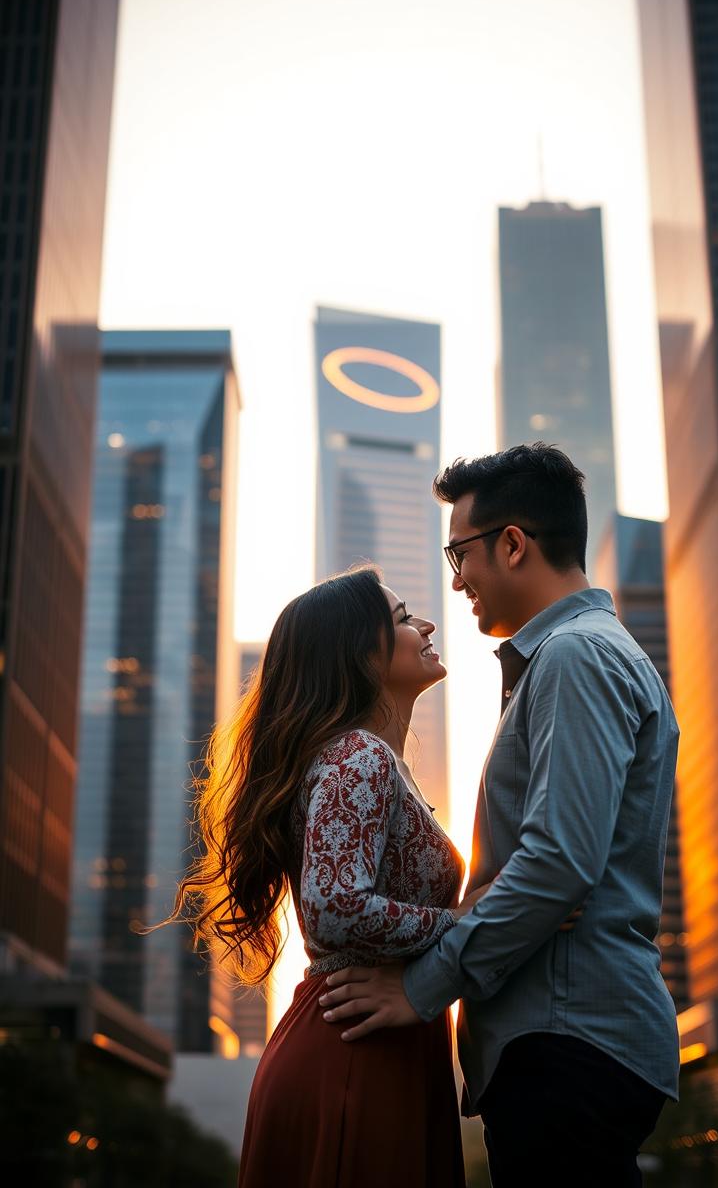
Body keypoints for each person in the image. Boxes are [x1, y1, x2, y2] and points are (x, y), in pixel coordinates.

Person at [319, 444, 681, 1187]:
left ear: (512, 543)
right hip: (564, 1039)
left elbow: (557, 863)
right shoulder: (574, 657)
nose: (456, 584)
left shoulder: (575, 657)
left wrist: (419, 989)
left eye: (461, 554)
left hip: (568, 1038)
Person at [169, 566, 484, 1188]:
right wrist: (464, 924)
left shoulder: (367, 757)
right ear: (359, 655)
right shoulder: (357, 755)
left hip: (376, 1041)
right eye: (400, 618)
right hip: (353, 1053)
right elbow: (336, 905)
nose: (423, 624)